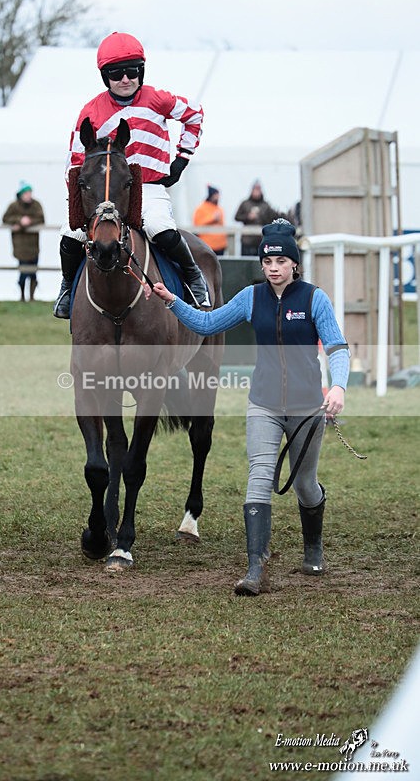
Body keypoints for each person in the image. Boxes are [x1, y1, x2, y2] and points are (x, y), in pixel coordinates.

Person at [152, 219, 350, 597]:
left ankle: (313, 548)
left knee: (305, 485)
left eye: (280, 261)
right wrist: (173, 301)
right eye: (267, 261)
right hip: (263, 402)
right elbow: (208, 324)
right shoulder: (250, 297)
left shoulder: (314, 299)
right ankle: (255, 567)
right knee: (259, 473)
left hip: (308, 406)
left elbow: (338, 347)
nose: (273, 268)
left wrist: (338, 386)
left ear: (294, 263)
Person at [53, 31, 208, 319]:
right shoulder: (91, 112)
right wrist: (80, 203)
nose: (125, 79)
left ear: (141, 71)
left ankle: (193, 276)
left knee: (160, 226)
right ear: (105, 77)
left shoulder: (158, 99)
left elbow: (194, 115)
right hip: (107, 193)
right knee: (70, 234)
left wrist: (182, 159)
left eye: (132, 71)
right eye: (116, 74)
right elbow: (75, 161)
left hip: (149, 187)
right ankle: (66, 288)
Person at [2, 181, 45, 302]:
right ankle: (22, 296)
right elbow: (5, 219)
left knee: (33, 273)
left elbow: (41, 219)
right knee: (23, 272)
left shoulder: (36, 205)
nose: (28, 195)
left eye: (29, 192)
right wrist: (20, 221)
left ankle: (31, 297)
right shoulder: (14, 206)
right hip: (20, 245)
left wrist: (29, 222)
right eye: (26, 193)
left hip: (34, 245)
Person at [234, 179, 279, 255]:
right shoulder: (245, 203)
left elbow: (271, 219)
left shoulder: (266, 205)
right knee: (246, 263)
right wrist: (248, 217)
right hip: (247, 240)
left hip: (261, 240)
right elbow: (237, 217)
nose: (256, 192)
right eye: (255, 189)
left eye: (258, 189)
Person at [192, 185, 228, 256]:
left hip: (220, 245)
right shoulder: (201, 208)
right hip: (207, 244)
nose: (218, 198)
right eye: (216, 195)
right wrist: (212, 218)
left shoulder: (219, 209)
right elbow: (197, 224)